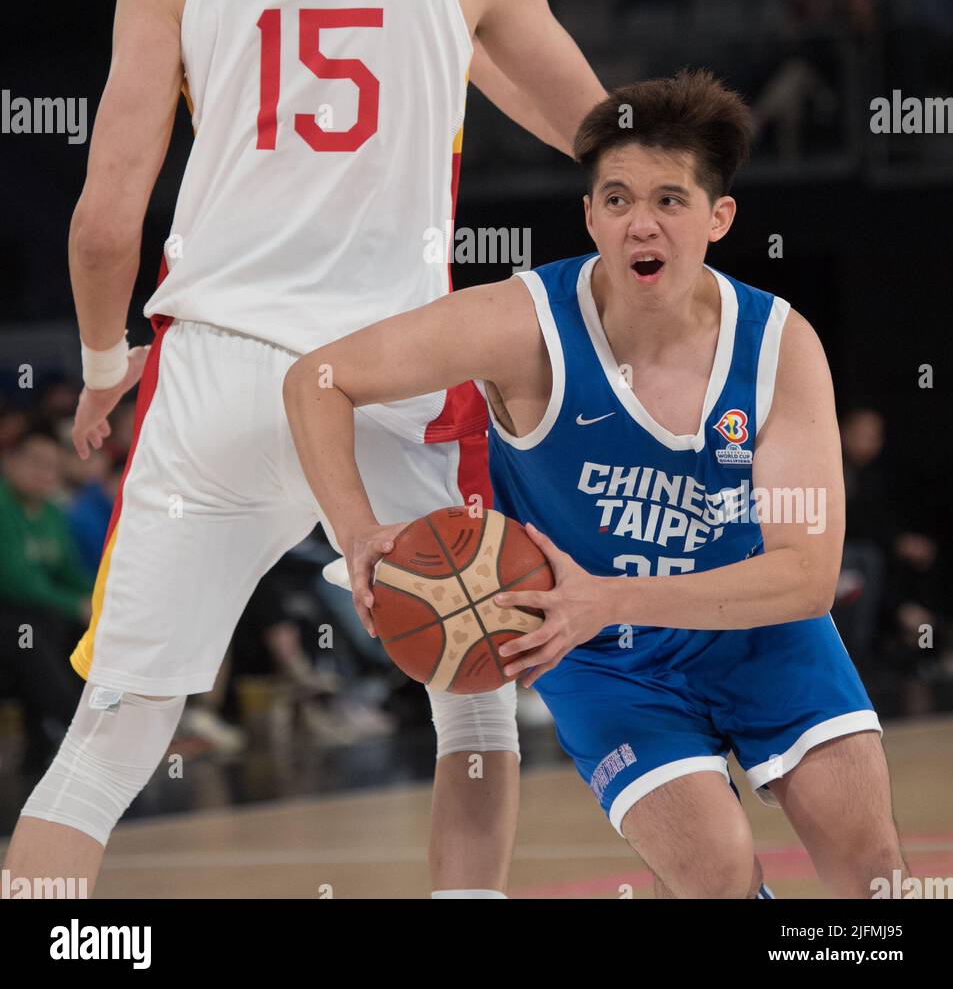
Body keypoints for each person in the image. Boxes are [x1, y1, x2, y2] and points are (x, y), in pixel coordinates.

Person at [2, 0, 605, 900]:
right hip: (388, 376)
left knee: (112, 731)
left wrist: (107, 362)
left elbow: (105, 218)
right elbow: (598, 135)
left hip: (216, 368)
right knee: (470, 697)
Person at [283, 70, 908, 898]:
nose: (638, 223)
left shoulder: (777, 347)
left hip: (752, 628)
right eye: (614, 200)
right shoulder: (522, 324)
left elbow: (804, 576)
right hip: (604, 659)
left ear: (717, 218)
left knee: (874, 880)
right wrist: (356, 530)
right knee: (714, 875)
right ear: (588, 215)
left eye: (668, 201)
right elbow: (318, 380)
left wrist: (608, 596)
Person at [0, 420, 92, 771]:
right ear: (11, 460)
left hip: (44, 616)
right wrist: (75, 605)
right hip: (9, 615)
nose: (45, 473)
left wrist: (98, 604)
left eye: (53, 466)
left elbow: (69, 572)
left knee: (87, 630)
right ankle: (75, 734)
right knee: (31, 633)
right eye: (36, 462)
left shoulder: (53, 513)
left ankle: (109, 728)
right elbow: (15, 582)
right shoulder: (3, 507)